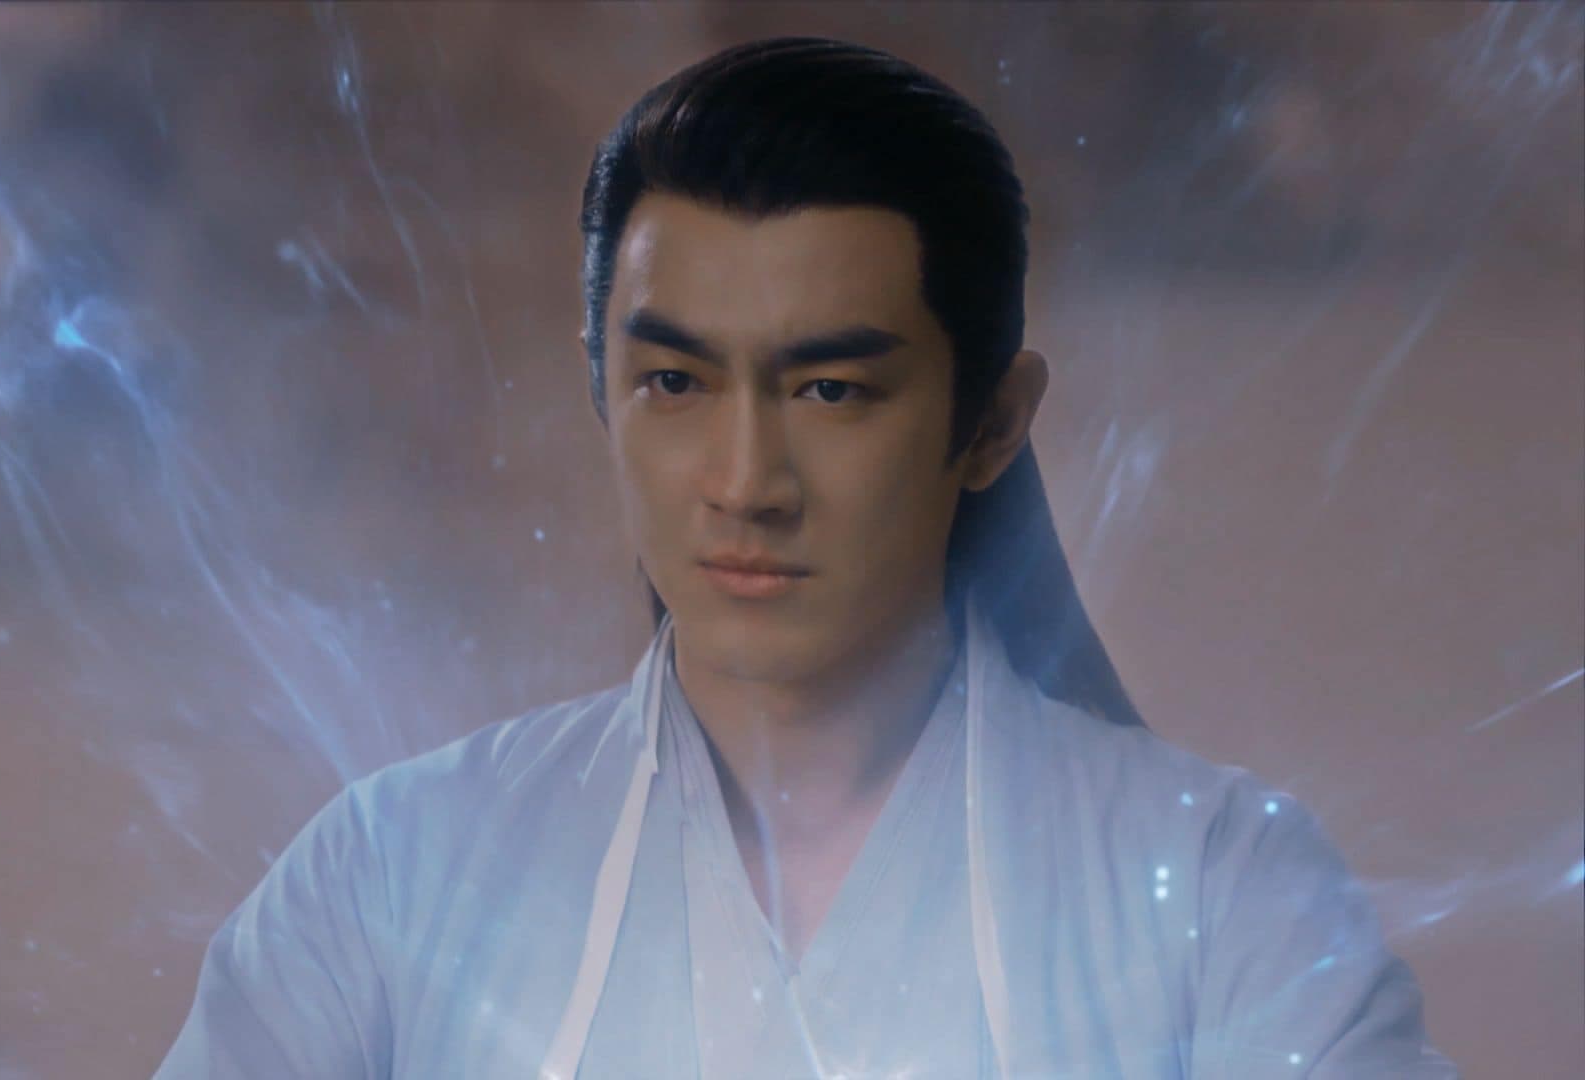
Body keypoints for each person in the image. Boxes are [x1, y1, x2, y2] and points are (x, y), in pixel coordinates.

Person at [156, 37, 1457, 1078]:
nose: (744, 484)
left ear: (994, 423)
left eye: (831, 391)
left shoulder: (1222, 897)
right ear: (601, 388)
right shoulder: (389, 880)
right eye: (674, 382)